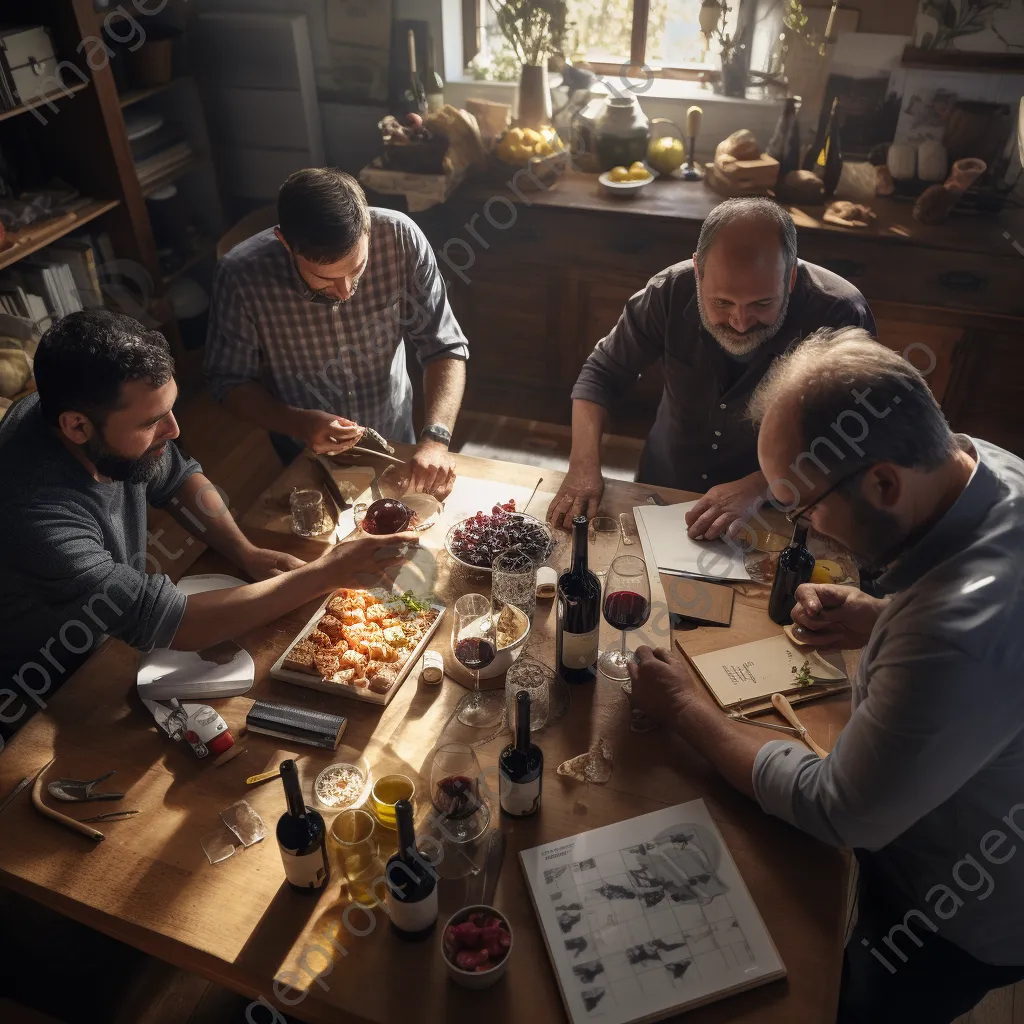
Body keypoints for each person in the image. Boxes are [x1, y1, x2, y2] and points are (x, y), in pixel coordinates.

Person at [627, 327, 1024, 1023]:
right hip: (943, 801)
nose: (804, 527)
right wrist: (879, 616)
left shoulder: (953, 633)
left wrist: (686, 706)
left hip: (958, 904)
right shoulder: (980, 465)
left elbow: (839, 810)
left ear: (882, 481)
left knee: (843, 1001)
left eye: (803, 507)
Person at [0, 311, 416, 745]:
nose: (175, 429)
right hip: (47, 694)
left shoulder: (69, 410)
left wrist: (244, 551)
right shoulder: (35, 516)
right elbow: (173, 624)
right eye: (150, 423)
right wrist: (326, 573)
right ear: (77, 426)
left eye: (170, 409)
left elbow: (176, 479)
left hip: (115, 639)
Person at [548, 197, 875, 539]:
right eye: (721, 302)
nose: (740, 322)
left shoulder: (841, 314)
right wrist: (582, 467)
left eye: (762, 304)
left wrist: (761, 486)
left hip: (778, 509)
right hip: (665, 486)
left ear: (790, 278)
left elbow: (852, 429)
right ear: (698, 272)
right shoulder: (668, 291)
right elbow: (602, 374)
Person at [205, 167, 469, 498]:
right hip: (303, 449)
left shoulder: (403, 239)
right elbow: (228, 382)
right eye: (324, 278)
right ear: (286, 243)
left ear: (368, 228)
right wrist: (300, 423)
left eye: (356, 269)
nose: (344, 291)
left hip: (395, 436)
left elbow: (444, 346)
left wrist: (435, 438)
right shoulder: (240, 276)